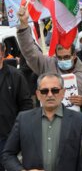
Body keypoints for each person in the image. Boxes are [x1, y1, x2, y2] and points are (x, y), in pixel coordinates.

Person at [2, 73, 82, 171]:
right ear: (38, 95)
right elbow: (7, 154)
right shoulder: (24, 119)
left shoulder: (80, 120)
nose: (50, 94)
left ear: (63, 92)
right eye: (44, 91)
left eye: (55, 90)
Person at [17, 6, 82, 111]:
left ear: (74, 55)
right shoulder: (47, 65)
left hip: (75, 124)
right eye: (60, 57)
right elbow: (29, 52)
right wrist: (23, 26)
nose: (63, 60)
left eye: (67, 57)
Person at [0, 42, 33, 171]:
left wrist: (18, 129)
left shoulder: (15, 76)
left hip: (7, 135)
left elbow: (26, 104)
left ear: (2, 53)